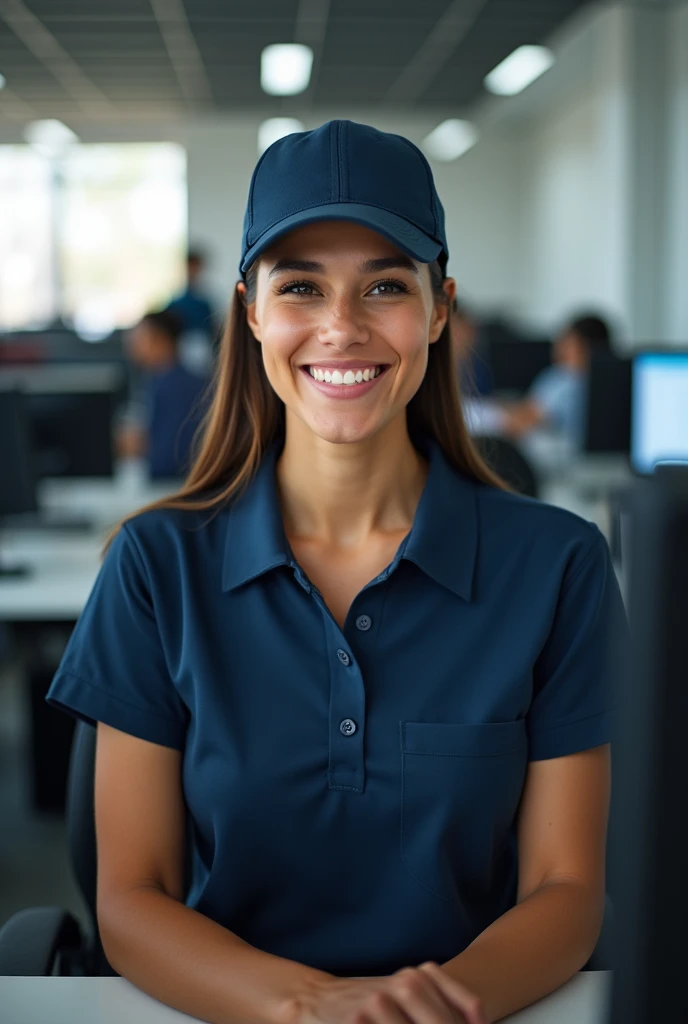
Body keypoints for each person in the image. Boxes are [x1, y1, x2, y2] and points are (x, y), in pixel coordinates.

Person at [46, 122, 626, 1024]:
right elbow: (131, 898)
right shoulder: (157, 566)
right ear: (249, 311)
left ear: (440, 309)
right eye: (302, 287)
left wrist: (423, 1010)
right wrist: (314, 1008)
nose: (342, 327)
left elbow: (567, 887)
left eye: (386, 286)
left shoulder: (559, 565)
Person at [117, 309, 209, 480]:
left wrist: (139, 447)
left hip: (175, 485)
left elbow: (168, 459)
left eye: (139, 337)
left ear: (160, 340)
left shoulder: (174, 387)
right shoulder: (159, 380)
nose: (131, 344)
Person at [500, 314, 613, 447]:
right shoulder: (610, 383)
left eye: (567, 342)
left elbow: (518, 424)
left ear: (585, 349)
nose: (558, 348)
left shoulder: (566, 380)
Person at [165, 247, 218, 339]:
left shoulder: (205, 303)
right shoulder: (176, 303)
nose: (193, 272)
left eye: (195, 268)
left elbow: (212, 327)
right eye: (190, 268)